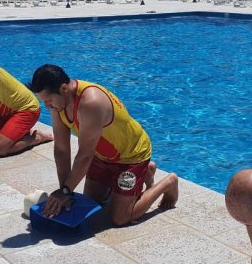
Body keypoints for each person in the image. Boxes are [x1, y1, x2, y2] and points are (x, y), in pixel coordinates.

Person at [28, 64, 179, 227]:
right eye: (44, 101)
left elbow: (84, 156)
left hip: (131, 156)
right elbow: (61, 150)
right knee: (90, 203)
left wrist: (65, 191)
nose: (47, 106)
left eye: (49, 100)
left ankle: (167, 183)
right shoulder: (58, 103)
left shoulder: (91, 102)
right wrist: (65, 192)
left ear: (64, 88)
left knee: (120, 218)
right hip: (101, 156)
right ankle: (145, 172)